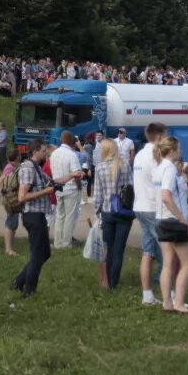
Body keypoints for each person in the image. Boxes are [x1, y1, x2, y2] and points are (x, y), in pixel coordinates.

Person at [10, 138, 56, 297]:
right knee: (38, 254)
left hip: (39, 215)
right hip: (33, 215)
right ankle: (28, 290)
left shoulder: (37, 167)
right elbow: (22, 197)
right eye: (43, 151)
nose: (45, 153)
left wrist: (72, 175)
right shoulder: (28, 168)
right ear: (35, 152)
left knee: (45, 253)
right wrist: (46, 192)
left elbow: (52, 182)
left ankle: (19, 281)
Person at [155, 137, 188, 313]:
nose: (180, 150)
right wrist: (181, 218)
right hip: (172, 221)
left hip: (161, 219)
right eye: (178, 147)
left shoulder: (159, 167)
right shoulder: (170, 169)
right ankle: (178, 302)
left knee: (167, 263)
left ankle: (167, 303)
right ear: (172, 150)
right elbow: (166, 195)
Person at [92, 137, 134, 290]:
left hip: (108, 211)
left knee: (108, 247)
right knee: (119, 248)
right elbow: (131, 187)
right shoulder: (125, 165)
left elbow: (97, 195)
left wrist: (98, 213)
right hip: (124, 211)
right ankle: (114, 280)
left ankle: (108, 280)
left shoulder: (100, 168)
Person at [132, 122, 167, 305]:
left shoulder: (139, 155)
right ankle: (170, 293)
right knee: (167, 252)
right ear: (160, 136)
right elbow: (160, 182)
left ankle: (148, 295)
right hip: (154, 208)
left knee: (148, 252)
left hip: (140, 206)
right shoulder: (156, 155)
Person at [49, 131, 84, 248]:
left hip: (58, 188)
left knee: (60, 216)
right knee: (70, 216)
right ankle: (66, 242)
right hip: (71, 188)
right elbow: (76, 174)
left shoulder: (54, 154)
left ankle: (58, 242)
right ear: (71, 141)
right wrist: (79, 187)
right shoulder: (71, 155)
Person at [0, 148, 20, 256]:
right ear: (17, 157)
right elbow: (1, 180)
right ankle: (8, 249)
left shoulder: (12, 167)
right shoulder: (10, 168)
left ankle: (11, 246)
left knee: (13, 222)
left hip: (12, 198)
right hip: (10, 199)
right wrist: (8, 192)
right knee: (11, 222)